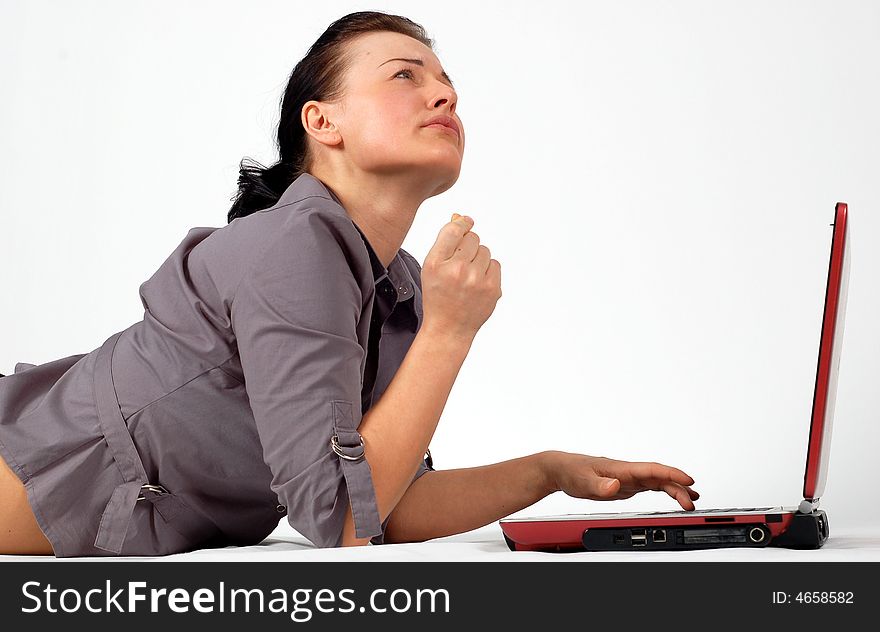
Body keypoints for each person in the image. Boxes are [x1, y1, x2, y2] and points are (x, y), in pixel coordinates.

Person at [0, 11, 698, 557]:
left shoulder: (394, 282)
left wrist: (548, 472)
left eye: (445, 81)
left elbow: (384, 502)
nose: (445, 92)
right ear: (322, 121)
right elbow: (342, 519)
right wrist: (451, 331)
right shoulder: (293, 244)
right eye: (405, 75)